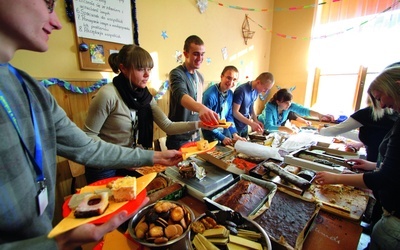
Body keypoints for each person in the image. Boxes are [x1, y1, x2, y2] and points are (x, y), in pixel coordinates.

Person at [0, 1, 182, 249]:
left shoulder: (31, 90)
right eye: (49, 4)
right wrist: (58, 244)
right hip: (106, 173)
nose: (56, 22)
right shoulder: (107, 94)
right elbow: (91, 142)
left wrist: (154, 156)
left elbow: (86, 147)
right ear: (124, 69)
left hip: (128, 166)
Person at [84, 45, 209, 183]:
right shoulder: (107, 95)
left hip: (130, 161)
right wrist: (124, 158)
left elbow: (168, 125)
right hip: (103, 165)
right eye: (140, 69)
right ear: (123, 68)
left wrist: (200, 124)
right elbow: (89, 136)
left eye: (149, 69)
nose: (147, 74)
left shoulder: (144, 96)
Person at [315, 66, 400, 250]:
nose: (382, 105)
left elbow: (385, 178)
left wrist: (336, 178)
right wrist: (372, 165)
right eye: (377, 100)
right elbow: (395, 169)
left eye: (380, 97)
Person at [166, 35, 219, 150]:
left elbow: (197, 101)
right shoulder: (176, 74)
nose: (200, 58)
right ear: (185, 54)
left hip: (195, 136)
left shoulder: (200, 77)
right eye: (196, 54)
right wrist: (201, 108)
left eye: (202, 54)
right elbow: (182, 96)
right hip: (178, 138)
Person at [319, 105, 397, 162]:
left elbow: (333, 131)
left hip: (378, 162)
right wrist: (361, 143)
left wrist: (320, 130)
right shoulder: (393, 113)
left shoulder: (367, 112)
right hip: (378, 163)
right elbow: (377, 136)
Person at [202, 66, 246, 145]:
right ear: (221, 77)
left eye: (234, 79)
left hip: (224, 130)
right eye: (228, 78)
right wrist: (222, 137)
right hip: (211, 132)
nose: (231, 82)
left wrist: (234, 134)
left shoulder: (230, 94)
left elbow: (229, 115)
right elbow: (206, 122)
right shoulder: (209, 96)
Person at [258, 88, 334, 134]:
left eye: (290, 102)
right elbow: (268, 126)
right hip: (261, 128)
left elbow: (304, 110)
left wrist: (319, 115)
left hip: (275, 131)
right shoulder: (269, 107)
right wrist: (286, 129)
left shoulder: (289, 105)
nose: (289, 104)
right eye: (286, 103)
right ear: (278, 102)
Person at [232, 72, 275, 138]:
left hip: (245, 125)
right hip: (236, 126)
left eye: (267, 90)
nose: (265, 92)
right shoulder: (241, 90)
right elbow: (235, 112)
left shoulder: (256, 91)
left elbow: (251, 107)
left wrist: (255, 120)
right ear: (258, 82)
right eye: (265, 88)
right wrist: (251, 123)